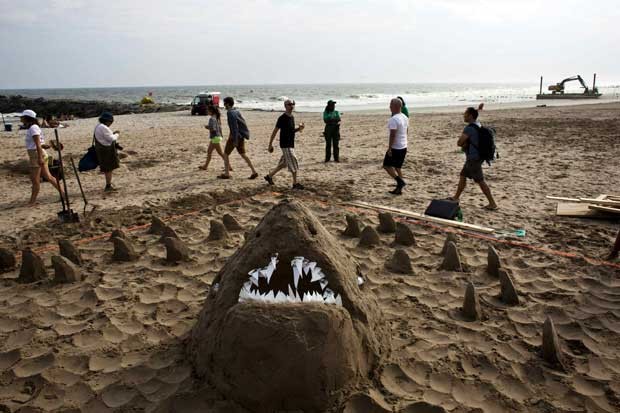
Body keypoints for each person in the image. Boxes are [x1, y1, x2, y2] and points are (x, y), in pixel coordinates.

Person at [450, 105, 498, 210]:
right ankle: (456, 197)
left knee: (480, 181)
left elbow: (459, 142)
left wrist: (464, 144)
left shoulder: (469, 128)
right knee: (462, 175)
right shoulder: (478, 125)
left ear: (471, 116)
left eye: (465, 114)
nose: (464, 116)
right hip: (477, 157)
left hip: (473, 158)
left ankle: (492, 203)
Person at [20, 109, 65, 206]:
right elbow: (40, 144)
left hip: (36, 155)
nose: (20, 118)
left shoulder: (33, 128)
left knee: (35, 180)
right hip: (40, 154)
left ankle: (32, 202)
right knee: (48, 177)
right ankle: (63, 194)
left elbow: (37, 144)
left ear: (27, 118)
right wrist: (45, 147)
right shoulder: (34, 127)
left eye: (22, 117)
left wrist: (40, 158)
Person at [264, 99, 305, 189]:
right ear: (285, 106)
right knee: (294, 161)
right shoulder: (282, 118)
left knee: (283, 163)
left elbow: (291, 131)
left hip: (291, 143)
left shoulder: (292, 117)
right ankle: (295, 184)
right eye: (289, 104)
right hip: (285, 144)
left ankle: (269, 176)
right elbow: (275, 131)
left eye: (293, 104)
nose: (292, 106)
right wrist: (270, 144)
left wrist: (299, 128)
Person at [219, 97, 258, 180]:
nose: (224, 105)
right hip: (241, 136)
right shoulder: (236, 111)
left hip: (234, 137)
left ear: (228, 104)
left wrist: (235, 140)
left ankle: (226, 174)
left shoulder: (230, 113)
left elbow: (234, 128)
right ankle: (254, 171)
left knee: (226, 154)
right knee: (243, 154)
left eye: (225, 103)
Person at [383, 98, 409, 195]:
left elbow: (392, 135)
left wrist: (390, 148)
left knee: (386, 165)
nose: (389, 106)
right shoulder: (405, 117)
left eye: (391, 105)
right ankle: (399, 188)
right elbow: (406, 131)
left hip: (396, 147)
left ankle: (400, 181)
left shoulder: (393, 119)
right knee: (397, 167)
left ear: (396, 106)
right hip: (403, 145)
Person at [94, 112, 122, 192]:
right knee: (109, 168)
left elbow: (105, 137)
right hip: (106, 150)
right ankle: (108, 186)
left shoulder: (98, 126)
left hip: (100, 149)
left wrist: (112, 134)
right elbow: (111, 139)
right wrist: (117, 134)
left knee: (107, 169)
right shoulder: (103, 127)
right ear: (108, 121)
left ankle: (108, 184)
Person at [199, 105, 227, 172]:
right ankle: (205, 166)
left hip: (215, 138)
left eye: (208, 110)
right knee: (209, 152)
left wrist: (207, 127)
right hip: (217, 137)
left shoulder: (212, 119)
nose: (207, 111)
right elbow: (219, 128)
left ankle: (229, 166)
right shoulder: (216, 117)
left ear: (211, 111)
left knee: (221, 153)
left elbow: (213, 129)